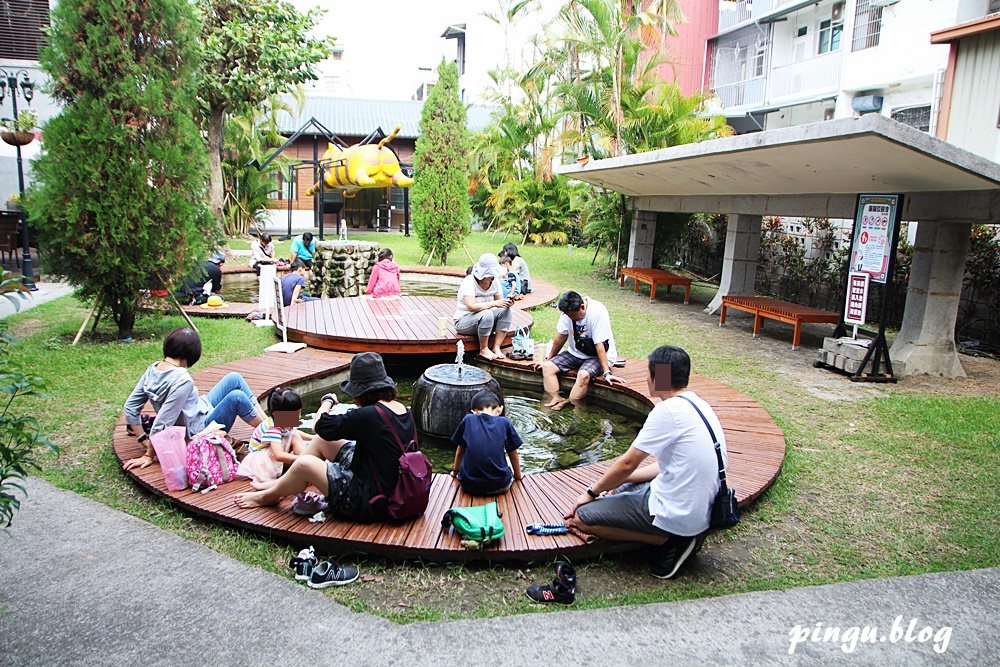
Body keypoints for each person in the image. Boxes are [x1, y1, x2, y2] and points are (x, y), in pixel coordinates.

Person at [564, 345, 726, 580]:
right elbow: (661, 467)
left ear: (659, 377)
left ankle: (669, 538)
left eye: (649, 374)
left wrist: (589, 493)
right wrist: (622, 480)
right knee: (619, 487)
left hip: (680, 513)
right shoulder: (699, 404)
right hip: (703, 505)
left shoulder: (667, 411)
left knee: (584, 517)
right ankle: (671, 530)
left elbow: (628, 462)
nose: (647, 379)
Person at [234, 352, 418, 525]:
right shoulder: (401, 409)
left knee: (304, 463)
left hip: (369, 502)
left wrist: (327, 402)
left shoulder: (369, 415)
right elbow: (324, 435)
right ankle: (280, 484)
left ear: (360, 392)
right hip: (389, 486)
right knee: (321, 441)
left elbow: (320, 425)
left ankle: (268, 496)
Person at [122, 327, 263, 470]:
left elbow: (130, 408)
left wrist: (141, 439)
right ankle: (273, 430)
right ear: (192, 355)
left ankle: (272, 425)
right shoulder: (183, 380)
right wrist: (148, 454)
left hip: (200, 409)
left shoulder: (153, 369)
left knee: (234, 378)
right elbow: (162, 422)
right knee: (237, 398)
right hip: (199, 431)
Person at [540, 290, 626, 409]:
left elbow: (599, 344)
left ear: (582, 307)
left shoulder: (597, 311)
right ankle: (556, 397)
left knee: (583, 375)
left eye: (573, 315)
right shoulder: (567, 312)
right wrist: (549, 359)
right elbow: (561, 336)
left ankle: (568, 403)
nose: (571, 318)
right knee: (547, 367)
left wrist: (607, 373)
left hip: (597, 356)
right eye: (569, 316)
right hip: (575, 352)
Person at [450, 390, 523, 495]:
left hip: (469, 486)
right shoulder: (504, 422)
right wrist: (518, 476)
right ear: (500, 409)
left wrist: (455, 472)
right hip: (500, 486)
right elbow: (513, 454)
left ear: (473, 411)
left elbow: (460, 449)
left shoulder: (468, 419)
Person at [236, 386, 311, 486]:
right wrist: (300, 458)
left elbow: (293, 432)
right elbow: (278, 455)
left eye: (299, 412)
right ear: (277, 415)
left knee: (294, 436)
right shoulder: (272, 428)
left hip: (270, 458)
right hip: (261, 464)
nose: (299, 417)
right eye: (295, 414)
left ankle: (307, 467)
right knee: (294, 438)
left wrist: (312, 438)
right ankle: (306, 466)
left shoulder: (282, 421)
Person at [453, 253, 514, 361]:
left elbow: (499, 302)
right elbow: (471, 306)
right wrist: (493, 304)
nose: (493, 277)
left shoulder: (494, 282)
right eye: (491, 275)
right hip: (464, 321)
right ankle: (484, 349)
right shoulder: (469, 281)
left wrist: (506, 302)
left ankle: (496, 347)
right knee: (487, 313)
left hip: (485, 320)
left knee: (505, 311)